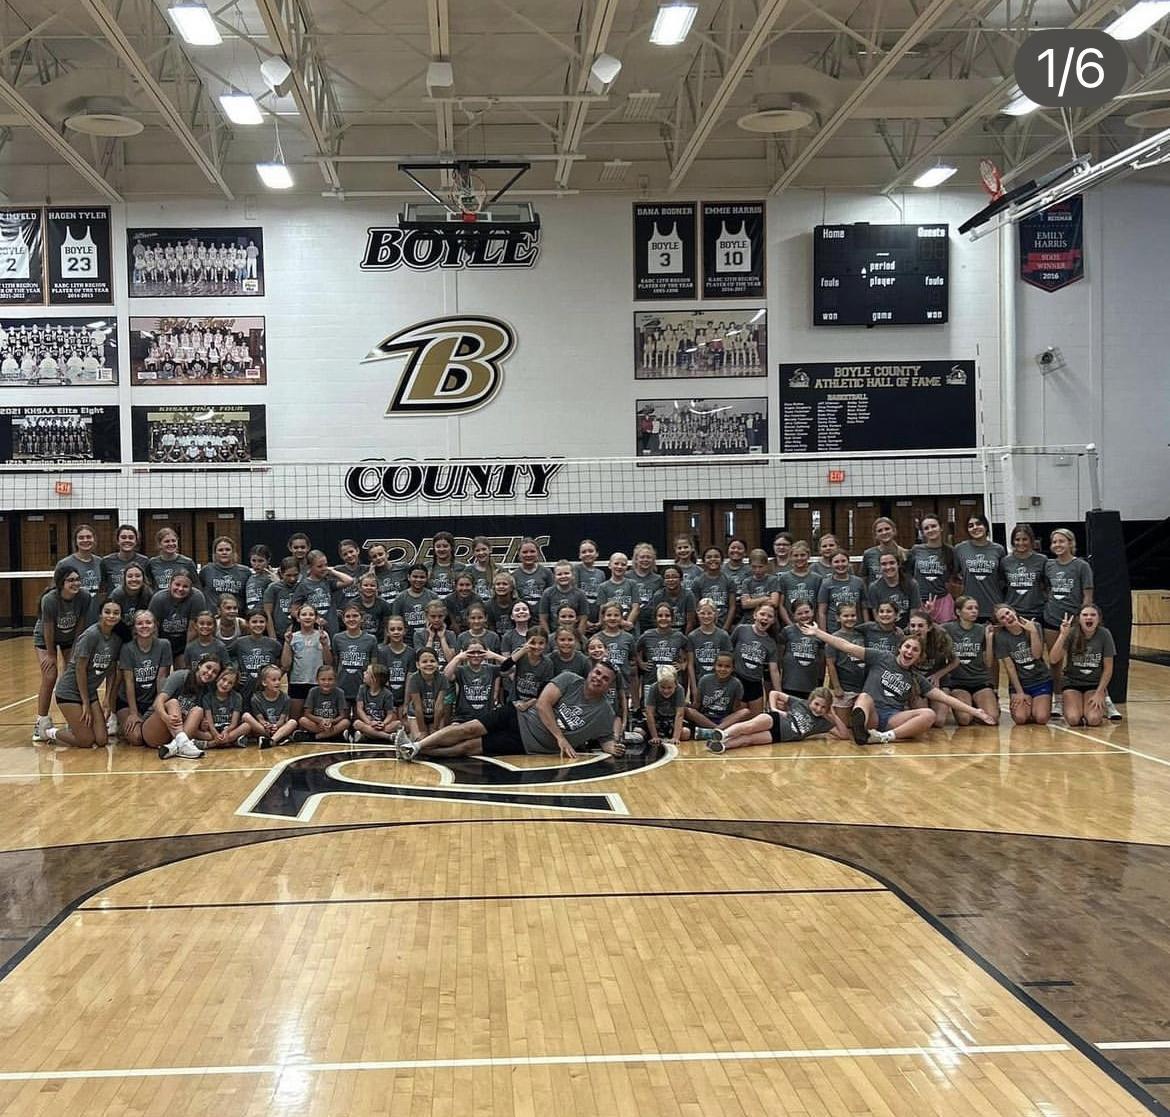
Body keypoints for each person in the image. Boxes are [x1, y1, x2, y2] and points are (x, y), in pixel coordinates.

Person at [800, 621, 997, 745]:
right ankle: (861, 730)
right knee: (865, 696)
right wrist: (818, 633)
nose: (909, 652)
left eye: (915, 650)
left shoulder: (915, 678)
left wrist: (976, 712)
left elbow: (945, 698)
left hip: (892, 719)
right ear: (900, 648)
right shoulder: (881, 657)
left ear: (919, 657)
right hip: (872, 714)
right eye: (907, 647)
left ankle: (883, 738)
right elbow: (846, 646)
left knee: (929, 714)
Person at [397, 662, 626, 762]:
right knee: (468, 729)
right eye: (597, 673)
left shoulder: (604, 712)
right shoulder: (569, 679)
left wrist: (614, 747)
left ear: (609, 686)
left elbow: (605, 738)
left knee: (469, 748)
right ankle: (417, 745)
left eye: (605, 678)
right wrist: (560, 738)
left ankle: (420, 753)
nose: (598, 678)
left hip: (527, 744)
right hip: (517, 714)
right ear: (590, 672)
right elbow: (543, 704)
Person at [42, 600, 123, 748]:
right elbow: (80, 670)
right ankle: (49, 732)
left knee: (101, 740)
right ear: (100, 614)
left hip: (90, 692)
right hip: (69, 692)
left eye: (116, 613)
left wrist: (107, 699)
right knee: (86, 741)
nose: (111, 616)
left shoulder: (116, 640)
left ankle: (77, 729)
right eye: (107, 612)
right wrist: (85, 703)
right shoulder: (90, 635)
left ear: (120, 616)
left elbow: (112, 671)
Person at [32, 568, 92, 741]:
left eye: (77, 579)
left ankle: (72, 720)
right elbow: (48, 628)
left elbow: (80, 624)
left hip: (70, 638)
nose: (76, 583)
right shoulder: (50, 600)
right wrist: (51, 654)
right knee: (50, 675)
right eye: (70, 580)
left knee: (71, 677)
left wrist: (75, 649)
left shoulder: (84, 597)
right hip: (45, 638)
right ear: (61, 583)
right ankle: (41, 722)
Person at [700, 686, 847, 752]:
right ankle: (723, 734)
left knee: (748, 740)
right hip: (776, 719)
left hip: (780, 736)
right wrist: (774, 709)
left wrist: (833, 714)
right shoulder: (801, 703)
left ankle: (722, 746)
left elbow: (844, 735)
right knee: (749, 727)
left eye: (823, 707)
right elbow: (774, 693)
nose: (819, 709)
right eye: (816, 704)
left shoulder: (823, 723)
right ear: (810, 701)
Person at [1043, 527, 1095, 707]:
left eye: (1061, 541)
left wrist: (1082, 619)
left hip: (1074, 621)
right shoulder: (1049, 565)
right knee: (1054, 661)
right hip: (1051, 620)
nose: (1057, 544)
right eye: (1054, 542)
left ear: (1070, 543)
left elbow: (1088, 596)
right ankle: (1057, 699)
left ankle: (1091, 697)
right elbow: (1046, 588)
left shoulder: (1081, 565)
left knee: (1078, 661)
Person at [140, 653, 223, 758]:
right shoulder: (180, 676)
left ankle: (174, 747)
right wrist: (166, 717)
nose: (210, 673)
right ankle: (182, 744)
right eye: (208, 667)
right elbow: (158, 702)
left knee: (198, 711)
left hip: (174, 734)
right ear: (199, 665)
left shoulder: (208, 691)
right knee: (173, 702)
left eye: (214, 672)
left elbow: (199, 722)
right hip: (155, 727)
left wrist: (203, 723)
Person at [1049, 604, 1116, 727]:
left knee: (1094, 720)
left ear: (1099, 619)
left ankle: (1100, 706)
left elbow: (1108, 668)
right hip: (1072, 683)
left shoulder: (1104, 634)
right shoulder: (1071, 633)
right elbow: (1053, 659)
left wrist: (1100, 692)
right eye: (1085, 615)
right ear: (1079, 619)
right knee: (1073, 719)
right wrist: (1063, 635)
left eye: (1093, 615)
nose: (1089, 617)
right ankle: (1074, 706)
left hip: (1094, 685)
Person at [116, 610, 173, 747]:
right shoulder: (127, 648)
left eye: (148, 622)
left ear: (155, 626)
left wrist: (157, 707)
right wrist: (133, 713)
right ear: (134, 628)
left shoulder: (164, 645)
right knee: (137, 739)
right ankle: (121, 723)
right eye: (140, 623)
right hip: (128, 702)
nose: (144, 626)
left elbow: (161, 678)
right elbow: (129, 682)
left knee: (156, 736)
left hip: (152, 700)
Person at [942, 596, 999, 726]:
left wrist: (989, 639)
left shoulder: (982, 629)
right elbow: (928, 628)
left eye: (976, 608)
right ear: (958, 612)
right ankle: (970, 705)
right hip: (958, 682)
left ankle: (979, 702)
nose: (974, 611)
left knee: (992, 718)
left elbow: (989, 663)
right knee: (964, 720)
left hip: (980, 680)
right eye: (969, 608)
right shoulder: (948, 628)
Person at [991, 603, 1052, 726]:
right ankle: (1029, 705)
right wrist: (1020, 692)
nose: (1007, 617)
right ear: (1000, 623)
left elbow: (1037, 655)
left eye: (1008, 613)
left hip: (1040, 680)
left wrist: (1033, 632)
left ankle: (1037, 705)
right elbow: (1010, 667)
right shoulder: (1001, 637)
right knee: (1020, 718)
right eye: (1002, 618)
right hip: (1021, 683)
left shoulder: (1034, 626)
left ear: (1014, 611)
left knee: (1041, 718)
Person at [905, 609, 959, 725]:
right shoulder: (905, 638)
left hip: (937, 681)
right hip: (917, 682)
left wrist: (938, 675)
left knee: (939, 721)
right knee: (924, 719)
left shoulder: (940, 637)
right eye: (913, 626)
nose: (916, 629)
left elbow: (955, 661)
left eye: (920, 626)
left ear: (929, 627)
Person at [281, 603, 332, 718]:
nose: (308, 617)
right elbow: (285, 664)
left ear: (316, 618)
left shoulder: (323, 635)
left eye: (311, 614)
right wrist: (287, 643)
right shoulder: (292, 636)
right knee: (295, 717)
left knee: (315, 717)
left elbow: (328, 662)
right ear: (298, 618)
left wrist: (324, 645)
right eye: (304, 614)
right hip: (297, 682)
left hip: (317, 682)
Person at [148, 570, 207, 666]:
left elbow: (193, 629)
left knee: (183, 670)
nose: (180, 589)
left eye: (185, 586)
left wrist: (188, 653)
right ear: (170, 584)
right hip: (163, 642)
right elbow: (153, 628)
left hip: (184, 644)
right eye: (177, 585)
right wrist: (156, 652)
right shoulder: (158, 598)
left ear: (191, 588)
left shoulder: (197, 597)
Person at [954, 514, 1005, 622]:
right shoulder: (960, 549)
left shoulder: (998, 549)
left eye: (979, 524)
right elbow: (953, 576)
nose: (975, 527)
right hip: (968, 608)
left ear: (986, 526)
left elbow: (1002, 578)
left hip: (993, 605)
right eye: (971, 526)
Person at [909, 515, 957, 623]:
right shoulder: (916, 550)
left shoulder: (951, 551)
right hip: (920, 601)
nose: (930, 530)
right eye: (926, 528)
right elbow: (908, 572)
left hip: (942, 600)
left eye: (933, 526)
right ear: (923, 532)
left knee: (944, 631)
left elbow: (955, 574)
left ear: (941, 527)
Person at [243, 663, 298, 749]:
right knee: (246, 716)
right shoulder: (256, 698)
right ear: (264, 682)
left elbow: (282, 720)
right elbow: (260, 719)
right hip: (264, 729)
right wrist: (266, 725)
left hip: (278, 728)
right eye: (274, 680)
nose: (278, 682)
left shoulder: (286, 698)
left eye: (279, 679)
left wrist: (276, 726)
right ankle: (277, 739)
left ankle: (270, 741)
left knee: (293, 722)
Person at [865, 552, 921, 629]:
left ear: (898, 564)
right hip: (885, 630)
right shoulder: (874, 587)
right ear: (880, 567)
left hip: (907, 629)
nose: (888, 567)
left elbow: (914, 613)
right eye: (884, 564)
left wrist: (907, 631)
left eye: (892, 563)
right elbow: (877, 617)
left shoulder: (912, 584)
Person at [298, 665, 352, 742]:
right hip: (317, 724)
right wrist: (320, 721)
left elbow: (342, 715)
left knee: (346, 722)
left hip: (332, 724)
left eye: (330, 679)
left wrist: (331, 721)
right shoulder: (313, 691)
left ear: (335, 680)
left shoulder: (340, 692)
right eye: (323, 679)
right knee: (302, 720)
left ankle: (316, 737)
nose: (326, 682)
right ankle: (331, 735)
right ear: (317, 680)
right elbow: (307, 713)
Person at [404, 648, 449, 739]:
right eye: (424, 662)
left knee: (436, 739)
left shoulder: (442, 678)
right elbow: (418, 707)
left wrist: (435, 728)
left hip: (436, 714)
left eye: (432, 661)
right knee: (420, 739)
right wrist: (423, 730)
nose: (429, 664)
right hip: (417, 714)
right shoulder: (414, 679)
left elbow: (439, 706)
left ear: (437, 663)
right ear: (418, 665)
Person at [816, 550, 867, 632]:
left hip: (856, 629)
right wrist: (824, 634)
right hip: (833, 630)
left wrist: (866, 628)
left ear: (849, 562)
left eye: (843, 561)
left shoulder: (858, 582)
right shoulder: (826, 584)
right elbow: (822, 612)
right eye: (836, 562)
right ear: (831, 564)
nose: (840, 564)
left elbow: (864, 608)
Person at [200, 666, 248, 748]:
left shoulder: (237, 697)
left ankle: (212, 744)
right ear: (217, 678)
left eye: (230, 683)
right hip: (213, 731)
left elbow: (234, 723)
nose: (225, 684)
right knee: (202, 733)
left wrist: (226, 732)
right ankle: (231, 741)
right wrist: (215, 734)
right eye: (223, 679)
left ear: (233, 685)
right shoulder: (207, 697)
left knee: (247, 726)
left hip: (229, 730)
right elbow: (210, 723)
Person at [54, 523, 105, 599]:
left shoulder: (101, 562)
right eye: (81, 538)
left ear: (94, 539)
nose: (85, 540)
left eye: (88, 537)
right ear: (75, 541)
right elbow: (56, 591)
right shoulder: (64, 564)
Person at [776, 541, 821, 627]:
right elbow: (781, 605)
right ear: (790, 557)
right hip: (790, 625)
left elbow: (819, 606)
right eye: (796, 555)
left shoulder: (817, 578)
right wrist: (791, 625)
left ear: (808, 556)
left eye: (802, 555)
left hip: (812, 625)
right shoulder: (784, 578)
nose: (799, 558)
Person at [691, 547, 737, 631]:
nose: (713, 559)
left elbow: (732, 607)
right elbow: (696, 608)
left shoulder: (729, 580)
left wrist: (725, 628)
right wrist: (704, 627)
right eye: (709, 557)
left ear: (722, 560)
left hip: (724, 624)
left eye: (716, 556)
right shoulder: (698, 581)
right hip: (705, 624)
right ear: (704, 561)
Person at [353, 663, 400, 743]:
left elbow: (390, 714)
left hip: (381, 725)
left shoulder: (387, 694)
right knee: (357, 723)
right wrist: (369, 722)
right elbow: (359, 709)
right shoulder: (362, 689)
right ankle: (388, 737)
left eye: (367, 672)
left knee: (398, 724)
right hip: (367, 722)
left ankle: (368, 735)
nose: (364, 673)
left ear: (374, 679)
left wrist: (383, 723)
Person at [199, 536, 250, 608]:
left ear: (233, 552)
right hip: (213, 614)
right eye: (220, 550)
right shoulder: (206, 570)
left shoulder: (245, 572)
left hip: (236, 613)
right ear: (215, 553)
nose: (224, 552)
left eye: (228, 550)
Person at [146, 527, 199, 592]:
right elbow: (148, 586)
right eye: (167, 541)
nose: (171, 544)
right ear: (159, 544)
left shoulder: (188, 563)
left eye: (173, 541)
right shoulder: (152, 563)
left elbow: (196, 586)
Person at [264, 557, 301, 640]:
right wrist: (273, 637)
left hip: (298, 634)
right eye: (288, 575)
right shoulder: (273, 588)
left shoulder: (302, 587)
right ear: (281, 573)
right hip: (279, 634)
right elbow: (268, 614)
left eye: (295, 575)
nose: (292, 579)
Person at [103, 524, 150, 590]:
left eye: (131, 538)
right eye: (123, 537)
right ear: (117, 540)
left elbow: (148, 585)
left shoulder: (145, 561)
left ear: (136, 541)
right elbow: (103, 587)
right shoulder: (106, 561)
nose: (127, 540)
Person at [860, 517, 906, 584]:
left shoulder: (905, 554)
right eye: (880, 531)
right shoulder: (868, 554)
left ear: (894, 531)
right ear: (875, 535)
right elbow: (863, 578)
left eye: (887, 529)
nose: (884, 532)